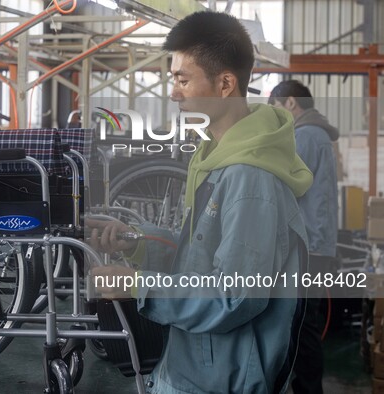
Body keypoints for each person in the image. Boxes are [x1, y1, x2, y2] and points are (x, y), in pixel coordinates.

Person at [87, 11, 314, 394]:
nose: (173, 92)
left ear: (225, 84)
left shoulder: (250, 178)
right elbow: (204, 251)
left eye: (183, 79)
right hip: (195, 362)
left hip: (223, 376)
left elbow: (234, 295)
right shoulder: (217, 156)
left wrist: (140, 285)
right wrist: (140, 241)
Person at [269, 80, 339, 394]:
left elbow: (286, 181)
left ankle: (309, 390)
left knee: (303, 325)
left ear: (291, 103)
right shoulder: (318, 134)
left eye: (277, 109)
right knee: (302, 323)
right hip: (318, 243)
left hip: (309, 244)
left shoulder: (306, 135)